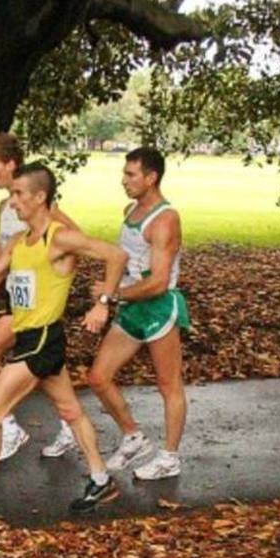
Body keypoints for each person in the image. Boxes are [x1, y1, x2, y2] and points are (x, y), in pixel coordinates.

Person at [0, 162, 129, 515]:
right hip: (32, 337)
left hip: (41, 340)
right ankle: (101, 480)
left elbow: (116, 255)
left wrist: (103, 303)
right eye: (12, 194)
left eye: (19, 194)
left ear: (40, 197)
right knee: (70, 410)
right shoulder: (17, 243)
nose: (12, 202)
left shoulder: (59, 238)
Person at [0, 133, 77, 461]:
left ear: (11, 164)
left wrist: (54, 280)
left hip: (31, 310)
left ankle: (8, 427)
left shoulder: (42, 207)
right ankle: (74, 432)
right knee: (52, 377)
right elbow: (0, 256)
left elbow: (75, 241)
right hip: (19, 305)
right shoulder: (3, 207)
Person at [85, 147, 191, 480]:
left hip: (158, 309)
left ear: (151, 177)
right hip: (131, 307)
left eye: (131, 175)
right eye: (124, 173)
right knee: (98, 377)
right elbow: (123, 261)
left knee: (168, 384)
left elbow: (158, 282)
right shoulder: (131, 211)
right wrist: (110, 295)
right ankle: (133, 437)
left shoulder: (165, 219)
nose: (124, 180)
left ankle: (170, 457)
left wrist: (111, 294)